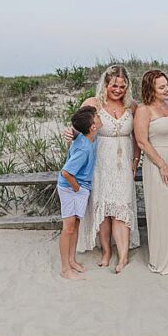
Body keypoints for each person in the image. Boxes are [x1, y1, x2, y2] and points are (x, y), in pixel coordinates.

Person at [71, 65, 141, 273]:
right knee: (103, 208)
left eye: (122, 86)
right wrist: (70, 134)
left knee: (121, 208)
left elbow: (137, 138)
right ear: (105, 84)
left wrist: (136, 159)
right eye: (114, 85)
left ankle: (123, 256)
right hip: (101, 163)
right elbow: (78, 129)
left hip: (124, 163)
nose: (118, 90)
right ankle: (106, 252)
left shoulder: (133, 107)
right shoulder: (93, 104)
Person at [133, 70, 168, 275]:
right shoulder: (143, 110)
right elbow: (141, 141)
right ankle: (159, 258)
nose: (167, 89)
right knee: (161, 208)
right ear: (151, 89)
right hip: (157, 161)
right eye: (162, 87)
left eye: (167, 85)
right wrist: (161, 164)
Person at [56, 106, 100, 281]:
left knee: (76, 225)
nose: (99, 117)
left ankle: (72, 260)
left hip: (79, 187)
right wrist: (77, 189)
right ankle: (65, 268)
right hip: (70, 188)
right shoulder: (83, 148)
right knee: (68, 228)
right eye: (97, 117)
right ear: (93, 127)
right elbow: (66, 172)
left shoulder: (88, 137)